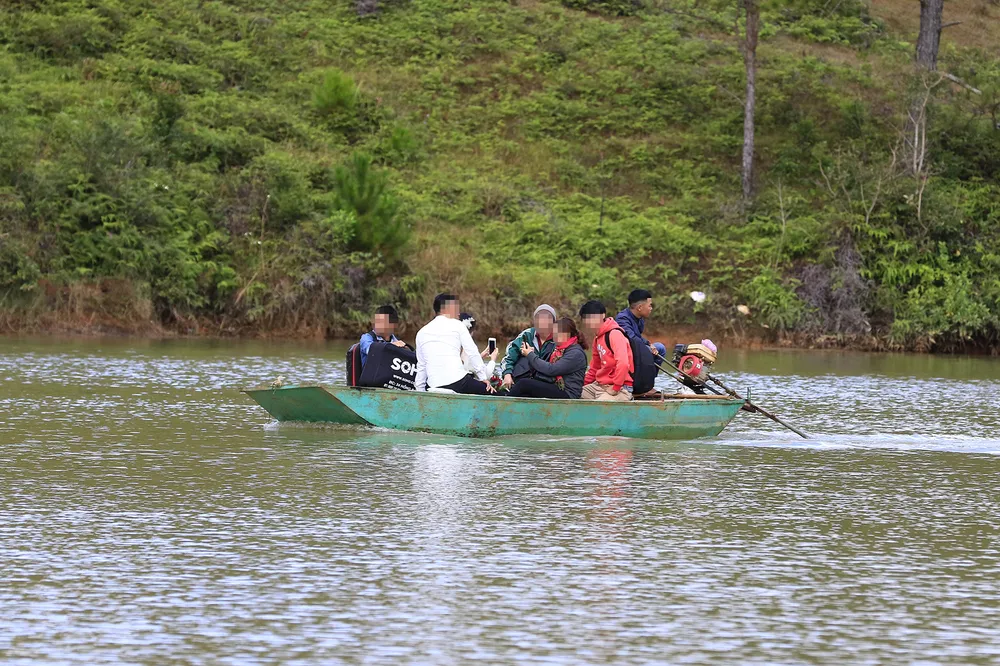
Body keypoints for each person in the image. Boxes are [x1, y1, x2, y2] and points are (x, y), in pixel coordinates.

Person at [414, 294, 496, 395]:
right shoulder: (458, 325)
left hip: (433, 385)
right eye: (456, 308)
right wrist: (483, 378)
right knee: (495, 393)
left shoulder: (421, 332)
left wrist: (420, 391)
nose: (458, 313)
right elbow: (472, 352)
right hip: (459, 382)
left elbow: (421, 366)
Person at [508, 317, 588, 399]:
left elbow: (551, 370)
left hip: (568, 393)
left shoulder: (575, 353)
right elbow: (541, 369)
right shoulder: (558, 349)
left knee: (524, 384)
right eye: (554, 332)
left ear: (569, 334)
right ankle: (505, 397)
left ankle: (505, 402)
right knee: (524, 390)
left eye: (559, 332)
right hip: (555, 386)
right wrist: (532, 354)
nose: (556, 335)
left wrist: (530, 355)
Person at [579, 300, 633, 402]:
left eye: (592, 317)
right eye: (586, 318)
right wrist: (582, 384)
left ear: (603, 315)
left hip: (621, 387)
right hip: (600, 386)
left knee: (600, 404)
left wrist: (616, 387)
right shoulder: (597, 338)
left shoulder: (615, 334)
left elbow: (623, 363)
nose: (589, 321)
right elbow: (594, 368)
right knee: (573, 393)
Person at [498, 304, 557, 391]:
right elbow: (508, 357)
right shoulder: (527, 335)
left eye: (547, 319)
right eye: (539, 318)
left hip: (546, 384)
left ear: (553, 322)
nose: (542, 322)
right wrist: (507, 374)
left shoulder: (559, 339)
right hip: (521, 382)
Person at [615, 289, 667, 359]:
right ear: (639, 307)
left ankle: (651, 366)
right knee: (648, 350)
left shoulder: (639, 317)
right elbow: (632, 339)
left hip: (637, 346)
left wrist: (648, 343)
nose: (651, 308)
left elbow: (638, 336)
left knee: (660, 347)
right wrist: (647, 346)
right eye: (649, 306)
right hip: (628, 350)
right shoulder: (622, 319)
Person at [459, 312, 499, 383]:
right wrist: (493, 360)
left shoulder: (452, 346)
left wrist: (480, 357)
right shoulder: (468, 349)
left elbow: (468, 365)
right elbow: (486, 375)